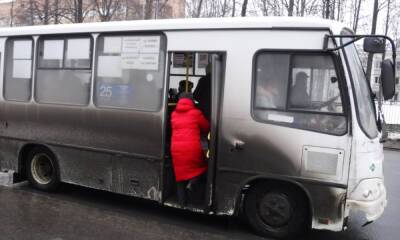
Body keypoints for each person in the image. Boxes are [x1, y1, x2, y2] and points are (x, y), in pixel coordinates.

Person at [170, 93, 210, 206]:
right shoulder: (196, 113)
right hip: (192, 149)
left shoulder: (173, 114)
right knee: (202, 168)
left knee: (179, 176)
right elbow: (207, 127)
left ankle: (182, 203)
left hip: (176, 149)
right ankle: (192, 182)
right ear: (191, 101)